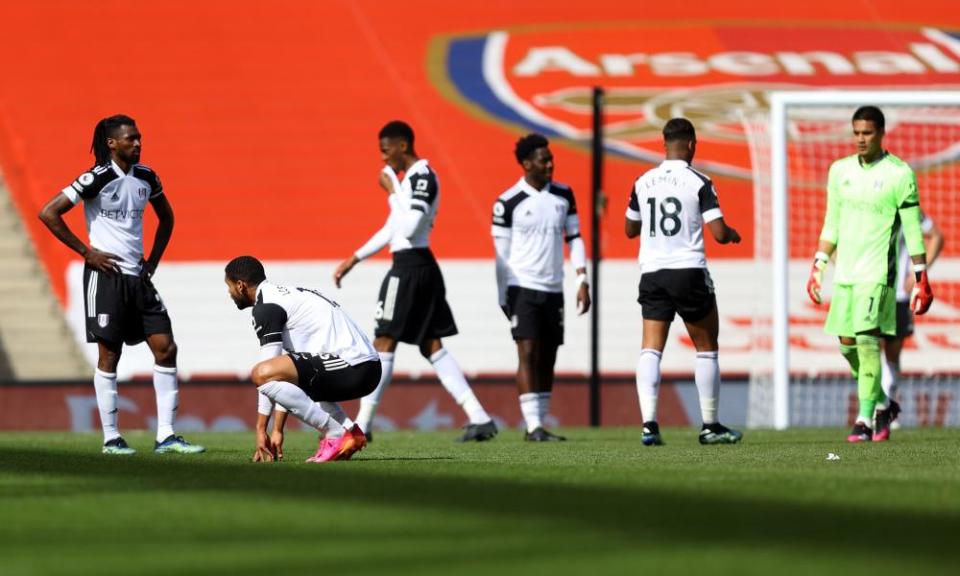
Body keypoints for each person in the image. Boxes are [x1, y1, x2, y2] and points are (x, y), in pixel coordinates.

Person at [38, 114, 203, 455]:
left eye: (139, 137)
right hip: (106, 276)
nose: (138, 143)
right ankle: (111, 438)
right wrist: (87, 252)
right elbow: (49, 212)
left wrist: (153, 260)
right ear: (112, 143)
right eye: (131, 138)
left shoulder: (146, 177)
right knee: (110, 354)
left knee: (166, 347)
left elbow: (167, 217)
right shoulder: (95, 178)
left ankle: (167, 436)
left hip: (138, 276)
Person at [333, 121, 496, 443]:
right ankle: (479, 416)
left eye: (385, 150)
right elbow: (393, 227)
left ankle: (363, 425)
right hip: (419, 266)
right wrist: (353, 259)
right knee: (431, 345)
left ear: (402, 146)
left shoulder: (421, 177)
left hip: (410, 268)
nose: (383, 159)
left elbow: (407, 229)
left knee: (384, 340)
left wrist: (393, 189)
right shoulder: (409, 181)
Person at [807, 105, 933, 443]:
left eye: (868, 133)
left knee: (866, 342)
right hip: (845, 273)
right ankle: (883, 403)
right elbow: (831, 222)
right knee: (847, 345)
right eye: (857, 133)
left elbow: (914, 230)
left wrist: (921, 276)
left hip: (879, 275)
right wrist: (819, 263)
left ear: (880, 133)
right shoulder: (839, 171)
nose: (861, 139)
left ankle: (864, 419)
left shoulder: (899, 173)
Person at [624, 118, 743, 446]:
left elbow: (630, 230)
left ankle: (649, 425)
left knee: (651, 348)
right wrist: (732, 235)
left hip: (652, 272)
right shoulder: (699, 181)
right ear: (692, 144)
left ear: (664, 144)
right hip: (688, 270)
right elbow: (718, 233)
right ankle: (710, 426)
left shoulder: (642, 180)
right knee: (706, 348)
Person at [225, 256, 379, 463]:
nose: (229, 293)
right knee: (280, 372)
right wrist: (277, 430)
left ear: (240, 285)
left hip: (355, 366)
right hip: (363, 367)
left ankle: (335, 434)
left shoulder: (266, 306)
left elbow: (267, 372)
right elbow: (286, 379)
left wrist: (261, 429)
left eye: (229, 287)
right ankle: (350, 432)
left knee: (260, 373)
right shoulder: (286, 294)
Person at [492, 133, 590, 441]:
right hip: (522, 286)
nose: (550, 164)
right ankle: (532, 425)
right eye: (543, 160)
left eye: (551, 159)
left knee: (548, 354)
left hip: (553, 288)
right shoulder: (508, 202)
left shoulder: (564, 195)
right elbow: (501, 254)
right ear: (526, 164)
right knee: (527, 350)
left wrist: (582, 278)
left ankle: (541, 424)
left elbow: (574, 238)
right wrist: (502, 293)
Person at [881, 214, 943, 426]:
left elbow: (936, 236)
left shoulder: (909, 208)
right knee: (867, 350)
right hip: (866, 290)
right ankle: (872, 409)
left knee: (891, 355)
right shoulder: (865, 200)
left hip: (898, 294)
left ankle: (886, 408)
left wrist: (918, 274)